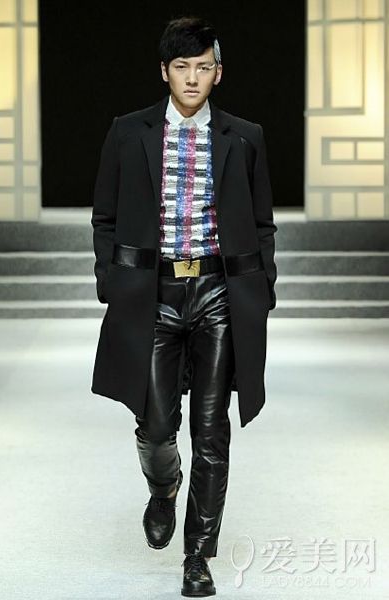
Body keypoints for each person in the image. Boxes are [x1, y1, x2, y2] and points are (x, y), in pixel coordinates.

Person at [91, 15, 277, 598]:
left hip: (218, 291)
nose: (192, 78)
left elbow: (263, 223)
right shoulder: (129, 132)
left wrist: (261, 290)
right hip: (154, 293)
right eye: (182, 67)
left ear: (218, 73)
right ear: (164, 72)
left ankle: (198, 556)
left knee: (212, 430)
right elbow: (105, 216)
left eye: (203, 67)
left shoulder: (245, 137)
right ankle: (164, 488)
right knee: (154, 424)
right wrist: (111, 283)